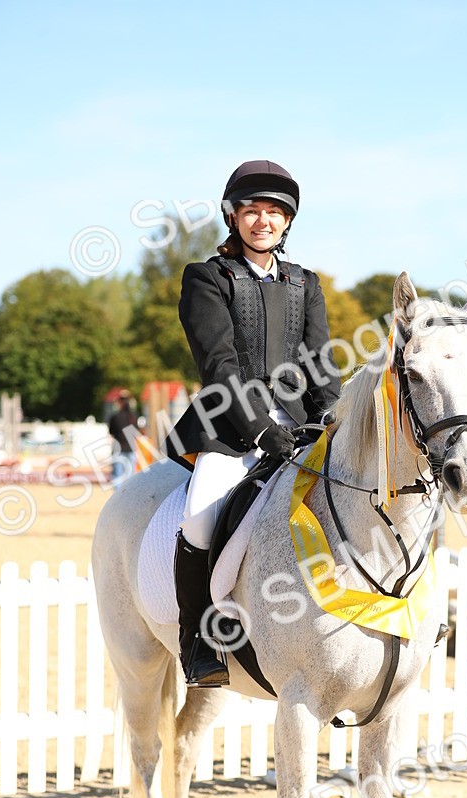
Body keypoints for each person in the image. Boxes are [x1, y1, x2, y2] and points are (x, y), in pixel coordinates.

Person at [166, 159, 340, 687]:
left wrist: (330, 417)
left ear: (287, 221)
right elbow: (217, 364)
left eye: (274, 212)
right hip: (230, 422)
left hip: (298, 424)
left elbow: (320, 363)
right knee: (200, 515)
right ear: (233, 217)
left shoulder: (304, 283)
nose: (262, 220)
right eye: (251, 210)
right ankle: (197, 641)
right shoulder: (207, 277)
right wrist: (260, 427)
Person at [108, 393, 138, 483]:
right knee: (131, 476)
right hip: (131, 448)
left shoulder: (115, 417)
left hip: (118, 449)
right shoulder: (133, 417)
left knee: (118, 476)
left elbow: (111, 432)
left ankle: (118, 497)